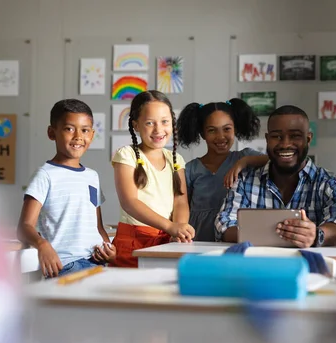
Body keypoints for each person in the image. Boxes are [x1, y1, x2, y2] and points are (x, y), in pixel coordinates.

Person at [215, 105, 336, 247]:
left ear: (308, 139)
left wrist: (316, 235)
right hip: (255, 266)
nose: (285, 144)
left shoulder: (330, 184)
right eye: (276, 136)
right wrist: (269, 236)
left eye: (295, 136)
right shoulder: (244, 182)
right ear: (267, 139)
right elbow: (224, 224)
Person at [17, 99, 115, 278]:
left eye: (85, 130)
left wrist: (108, 248)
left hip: (99, 262)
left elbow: (98, 226)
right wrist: (42, 244)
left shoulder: (92, 176)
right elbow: (24, 226)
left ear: (92, 135)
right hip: (67, 265)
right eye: (69, 129)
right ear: (51, 133)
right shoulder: (45, 175)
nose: (78, 136)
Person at [111, 90, 194, 267]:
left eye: (165, 122)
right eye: (150, 123)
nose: (158, 129)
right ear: (136, 125)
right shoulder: (126, 155)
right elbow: (129, 202)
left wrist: (178, 229)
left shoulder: (176, 159)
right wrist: (170, 226)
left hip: (167, 240)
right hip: (133, 241)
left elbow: (180, 201)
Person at [177, 99, 268, 241]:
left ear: (235, 129)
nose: (220, 137)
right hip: (198, 238)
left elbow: (274, 161)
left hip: (233, 236)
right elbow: (181, 206)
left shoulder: (245, 156)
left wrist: (243, 162)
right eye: (212, 130)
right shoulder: (190, 169)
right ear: (202, 133)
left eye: (227, 129)